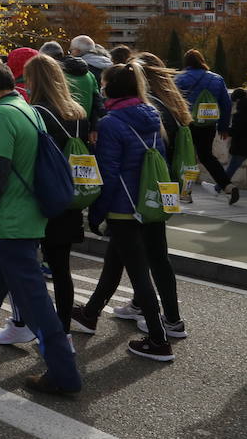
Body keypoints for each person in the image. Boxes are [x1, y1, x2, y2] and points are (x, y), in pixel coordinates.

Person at [0, 60, 83, 395]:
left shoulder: (1, 116)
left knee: (35, 303)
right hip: (28, 214)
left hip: (10, 222)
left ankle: (64, 373)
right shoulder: (26, 108)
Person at [70, 62, 179, 360]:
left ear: (111, 89)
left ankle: (158, 340)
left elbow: (109, 171)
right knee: (115, 262)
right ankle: (90, 313)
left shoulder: (111, 123)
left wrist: (96, 213)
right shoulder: (152, 115)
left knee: (138, 273)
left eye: (103, 86)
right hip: (147, 202)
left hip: (122, 207)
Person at [0, 53, 89, 346]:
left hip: (42, 198)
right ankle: (65, 332)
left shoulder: (37, 113)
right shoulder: (78, 113)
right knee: (62, 270)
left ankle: (24, 324)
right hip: (69, 194)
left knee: (27, 269)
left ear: (34, 80)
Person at [175, 49, 235, 203]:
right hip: (208, 123)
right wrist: (223, 127)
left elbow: (174, 102)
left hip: (187, 124)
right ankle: (227, 185)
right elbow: (226, 104)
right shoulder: (217, 79)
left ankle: (186, 193)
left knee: (186, 158)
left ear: (186, 63)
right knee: (207, 156)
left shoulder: (180, 79)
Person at [224, 88, 247, 186]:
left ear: (237, 100)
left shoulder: (240, 115)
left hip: (242, 147)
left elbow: (236, 131)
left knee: (231, 169)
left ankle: (218, 188)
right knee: (231, 169)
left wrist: (226, 130)